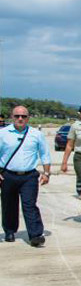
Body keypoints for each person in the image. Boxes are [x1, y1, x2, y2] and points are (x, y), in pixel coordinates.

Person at [0, 105, 51, 246]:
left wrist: (46, 173)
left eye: (23, 116)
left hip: (29, 176)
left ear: (28, 118)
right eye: (17, 116)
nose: (20, 119)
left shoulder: (36, 134)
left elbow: (45, 154)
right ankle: (10, 231)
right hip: (8, 175)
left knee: (30, 204)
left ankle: (35, 235)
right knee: (9, 204)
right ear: (12, 117)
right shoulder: (3, 134)